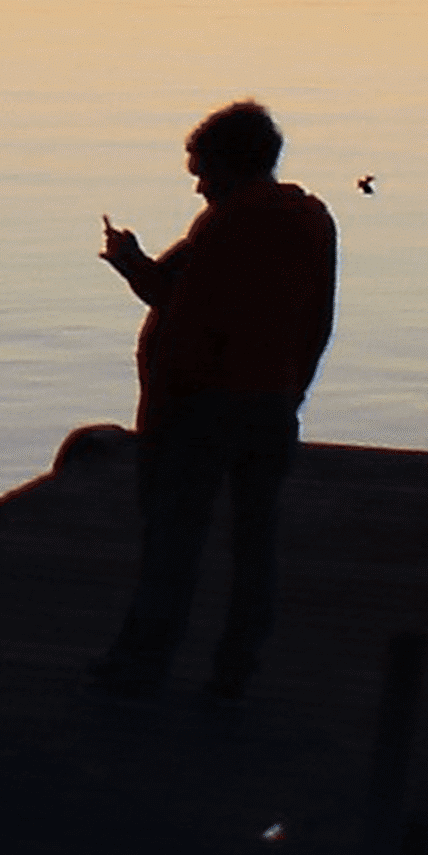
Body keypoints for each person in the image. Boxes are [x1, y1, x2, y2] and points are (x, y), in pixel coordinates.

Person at [88, 97, 341, 699]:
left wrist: (129, 265)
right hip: (272, 402)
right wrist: (294, 388)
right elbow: (316, 314)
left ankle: (143, 664)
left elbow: (183, 307)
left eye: (203, 171)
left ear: (231, 164)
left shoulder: (228, 225)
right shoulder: (310, 218)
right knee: (255, 543)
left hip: (200, 409)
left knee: (173, 543)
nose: (199, 186)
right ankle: (237, 665)